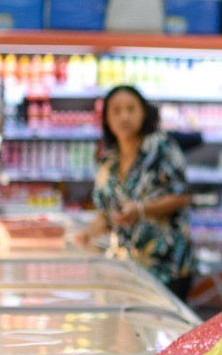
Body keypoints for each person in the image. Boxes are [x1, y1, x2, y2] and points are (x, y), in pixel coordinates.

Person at [73, 85, 195, 300]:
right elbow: (106, 213)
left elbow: (182, 196)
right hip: (124, 269)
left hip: (166, 267)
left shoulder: (160, 146)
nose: (124, 116)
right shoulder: (108, 160)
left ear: (143, 113)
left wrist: (141, 210)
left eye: (131, 109)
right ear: (106, 118)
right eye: (116, 111)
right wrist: (88, 233)